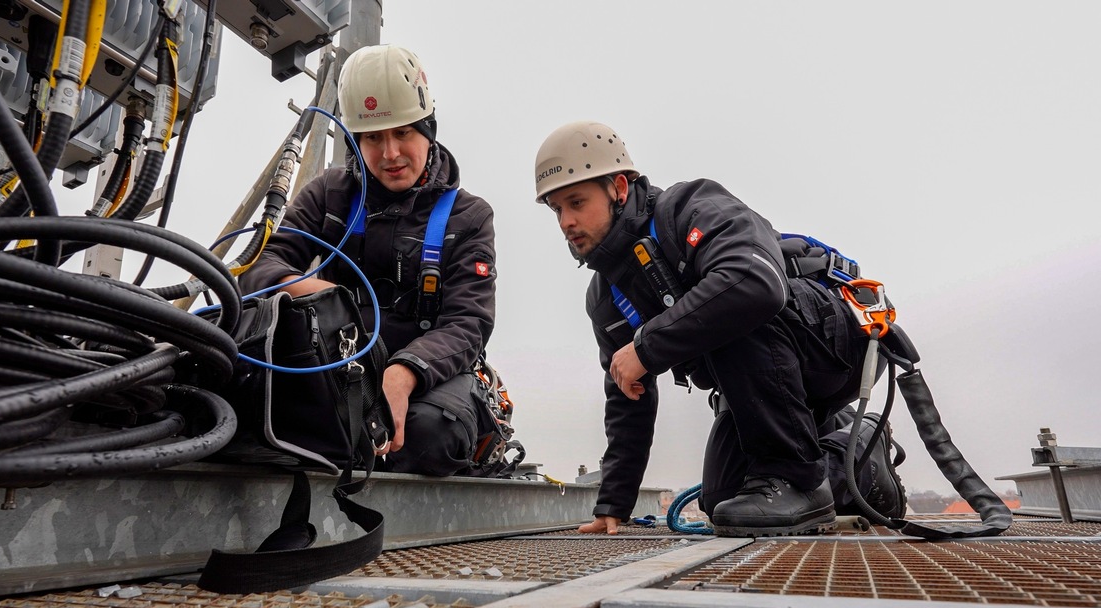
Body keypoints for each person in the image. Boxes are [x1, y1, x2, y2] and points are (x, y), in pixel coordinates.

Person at [532, 120, 905, 537]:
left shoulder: (688, 207)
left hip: (833, 341)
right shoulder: (606, 297)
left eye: (577, 202)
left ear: (619, 187)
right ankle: (860, 458)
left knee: (728, 304)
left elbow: (755, 282)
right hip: (766, 377)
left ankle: (798, 478)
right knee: (725, 500)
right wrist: (613, 504)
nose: (566, 221)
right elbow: (628, 396)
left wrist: (647, 348)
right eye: (557, 210)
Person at [240, 44, 498, 477]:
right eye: (373, 138)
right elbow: (259, 267)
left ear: (428, 130)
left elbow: (468, 323)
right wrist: (320, 292)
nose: (390, 154)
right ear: (354, 141)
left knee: (431, 434)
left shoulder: (469, 216)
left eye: (402, 133)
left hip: (429, 376)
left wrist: (405, 371)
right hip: (342, 366)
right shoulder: (328, 195)